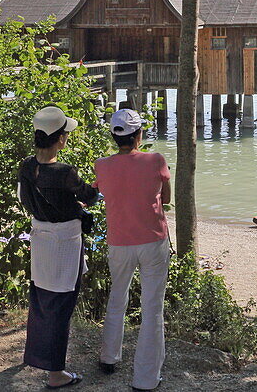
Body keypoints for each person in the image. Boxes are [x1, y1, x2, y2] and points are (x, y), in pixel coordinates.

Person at [18, 106, 99, 390]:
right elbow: (90, 195)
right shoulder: (64, 171)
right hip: (64, 242)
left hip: (40, 238)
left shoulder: (27, 165)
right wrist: (96, 187)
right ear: (60, 138)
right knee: (62, 304)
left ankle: (34, 355)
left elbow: (29, 199)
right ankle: (55, 373)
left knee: (40, 299)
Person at [94, 109, 172, 392]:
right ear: (139, 135)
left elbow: (100, 192)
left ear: (114, 137)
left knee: (118, 294)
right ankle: (146, 379)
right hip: (152, 240)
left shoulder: (100, 165)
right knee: (152, 307)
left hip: (118, 242)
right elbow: (166, 198)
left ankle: (109, 357)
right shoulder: (156, 160)